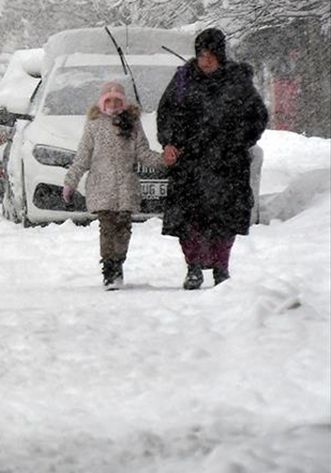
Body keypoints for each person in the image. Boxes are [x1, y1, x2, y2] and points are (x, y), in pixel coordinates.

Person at [157, 28, 269, 290]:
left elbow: (257, 117)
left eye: (209, 55)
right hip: (190, 163)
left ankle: (221, 268)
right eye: (200, 55)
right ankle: (193, 268)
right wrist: (169, 142)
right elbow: (166, 113)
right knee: (190, 219)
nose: (204, 61)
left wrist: (240, 141)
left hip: (227, 164)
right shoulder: (183, 79)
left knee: (224, 218)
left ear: (219, 54)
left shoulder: (237, 81)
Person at [62, 81, 164, 289]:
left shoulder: (133, 123)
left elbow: (142, 153)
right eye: (109, 100)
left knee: (123, 228)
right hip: (101, 187)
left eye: (118, 101)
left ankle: (119, 263)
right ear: (102, 102)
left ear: (124, 103)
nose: (113, 104)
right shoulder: (94, 124)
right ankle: (109, 269)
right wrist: (70, 182)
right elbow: (83, 156)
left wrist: (164, 161)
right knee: (107, 228)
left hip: (126, 186)